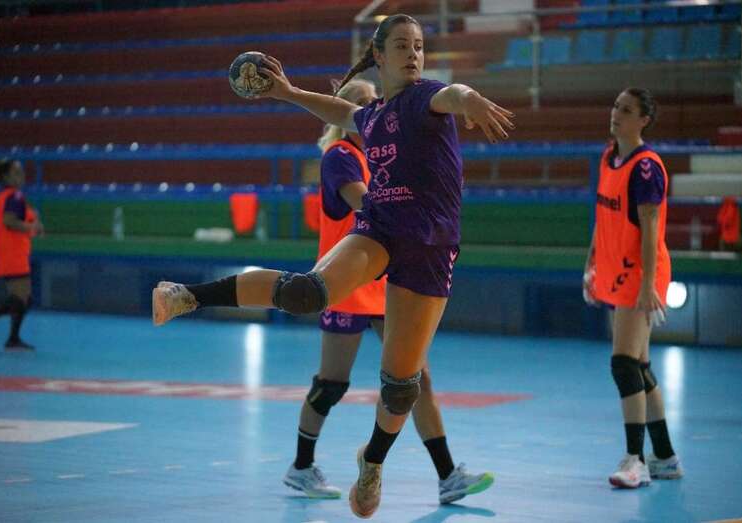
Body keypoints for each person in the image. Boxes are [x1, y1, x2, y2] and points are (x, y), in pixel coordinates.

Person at [152, 13, 514, 518]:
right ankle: (188, 294)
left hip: (430, 249)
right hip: (382, 229)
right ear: (380, 55)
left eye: (419, 46)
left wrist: (469, 97)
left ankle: (372, 463)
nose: (414, 54)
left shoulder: (424, 97)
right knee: (307, 292)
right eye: (403, 46)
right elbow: (341, 111)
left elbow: (450, 94)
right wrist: (286, 92)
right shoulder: (373, 118)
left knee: (402, 385)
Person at [281, 78, 493, 504]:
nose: (369, 109)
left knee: (414, 380)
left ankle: (448, 475)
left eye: (371, 101)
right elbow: (369, 205)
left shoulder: (379, 157)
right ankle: (301, 466)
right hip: (347, 284)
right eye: (358, 103)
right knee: (331, 384)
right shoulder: (341, 156)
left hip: (386, 281)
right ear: (342, 113)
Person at [583, 88, 683, 489]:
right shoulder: (610, 157)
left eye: (626, 110)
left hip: (641, 274)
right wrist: (590, 261)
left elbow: (651, 231)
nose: (616, 113)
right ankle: (666, 456)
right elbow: (602, 215)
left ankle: (635, 460)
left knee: (623, 363)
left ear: (644, 120)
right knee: (639, 366)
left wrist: (647, 285)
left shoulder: (645, 167)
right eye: (615, 106)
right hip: (616, 270)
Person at [0, 159, 44, 351]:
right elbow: (9, 222)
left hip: (12, 252)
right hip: (10, 254)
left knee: (25, 299)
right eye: (15, 173)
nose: (20, 176)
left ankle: (13, 338)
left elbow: (24, 220)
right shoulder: (14, 197)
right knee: (20, 298)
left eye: (21, 172)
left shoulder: (11, 196)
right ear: (5, 177)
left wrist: (34, 226)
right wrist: (32, 226)